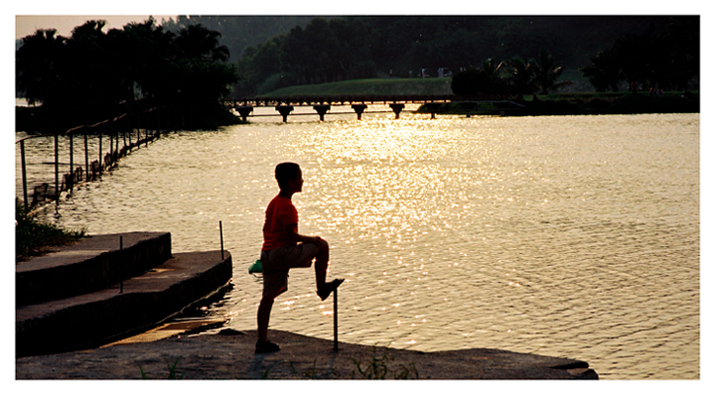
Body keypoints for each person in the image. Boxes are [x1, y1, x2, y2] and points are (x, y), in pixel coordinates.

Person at [256, 162, 344, 353]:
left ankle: (261, 342)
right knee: (322, 245)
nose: (302, 180)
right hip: (280, 254)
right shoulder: (288, 207)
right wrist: (311, 239)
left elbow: (266, 230)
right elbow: (289, 236)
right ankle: (321, 288)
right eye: (299, 177)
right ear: (290, 182)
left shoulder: (274, 203)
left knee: (267, 298)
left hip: (267, 254)